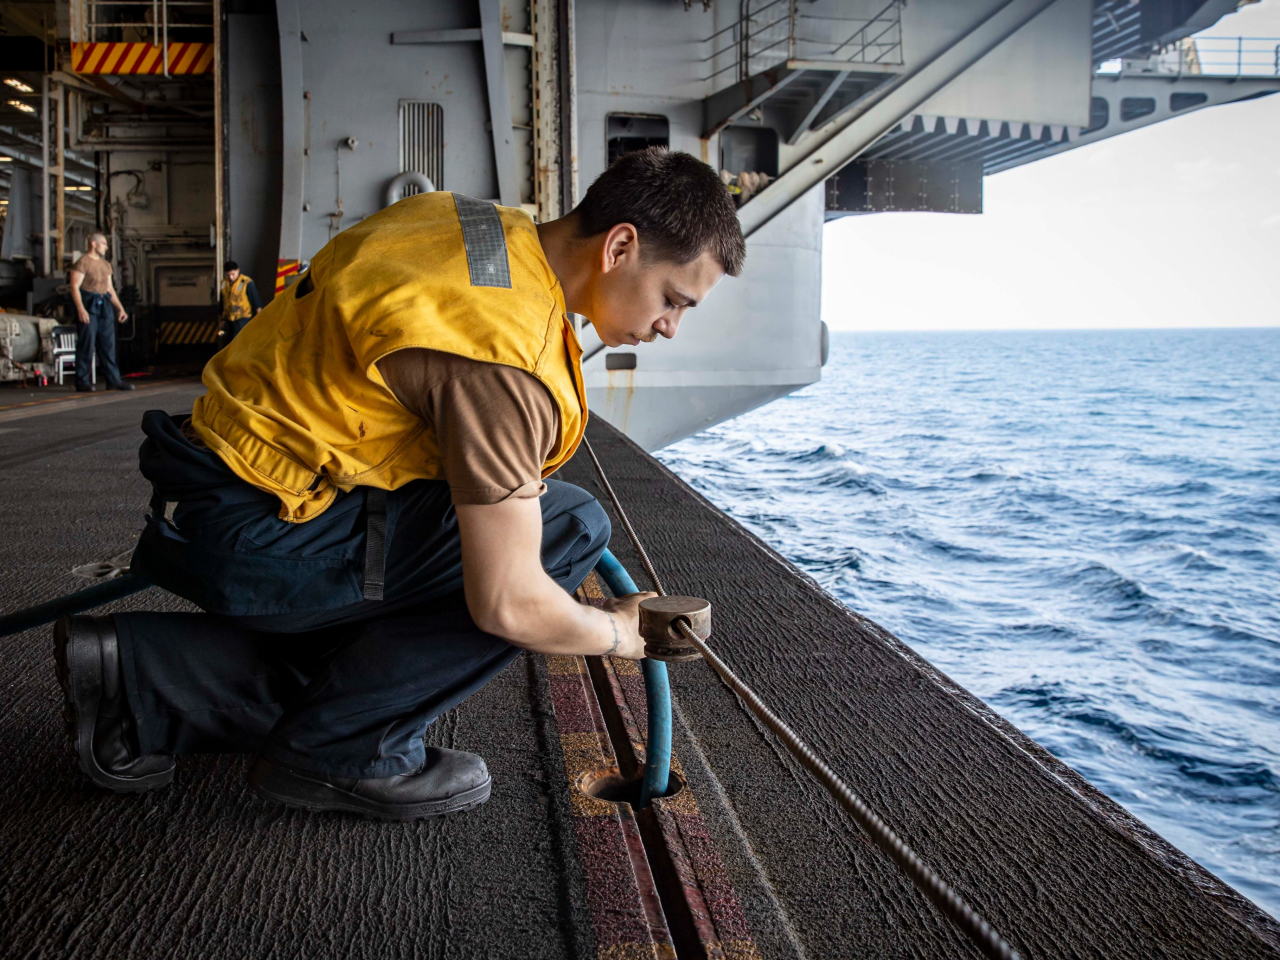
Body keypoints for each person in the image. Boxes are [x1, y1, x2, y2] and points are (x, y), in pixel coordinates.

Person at [52, 148, 746, 819]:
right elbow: (510, 605)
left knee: (415, 615)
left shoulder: (466, 222)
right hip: (256, 531)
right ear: (619, 246)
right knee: (568, 529)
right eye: (672, 298)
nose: (670, 327)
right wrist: (619, 634)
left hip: (209, 483)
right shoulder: (503, 360)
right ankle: (346, 751)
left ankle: (135, 674)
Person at [69, 233, 134, 393]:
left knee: (108, 345)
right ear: (93, 244)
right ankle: (82, 381)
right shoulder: (83, 263)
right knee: (86, 344)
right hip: (88, 304)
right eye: (103, 243)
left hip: (104, 304)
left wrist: (120, 307)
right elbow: (74, 287)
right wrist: (80, 309)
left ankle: (113, 380)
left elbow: (110, 288)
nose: (106, 246)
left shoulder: (106, 265)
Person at [218, 260, 262, 346]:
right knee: (228, 344)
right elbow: (221, 304)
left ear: (238, 270)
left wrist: (259, 323)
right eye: (228, 275)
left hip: (242, 319)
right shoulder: (224, 283)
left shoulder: (247, 283)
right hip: (228, 320)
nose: (231, 277)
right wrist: (220, 320)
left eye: (233, 274)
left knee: (240, 343)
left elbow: (257, 303)